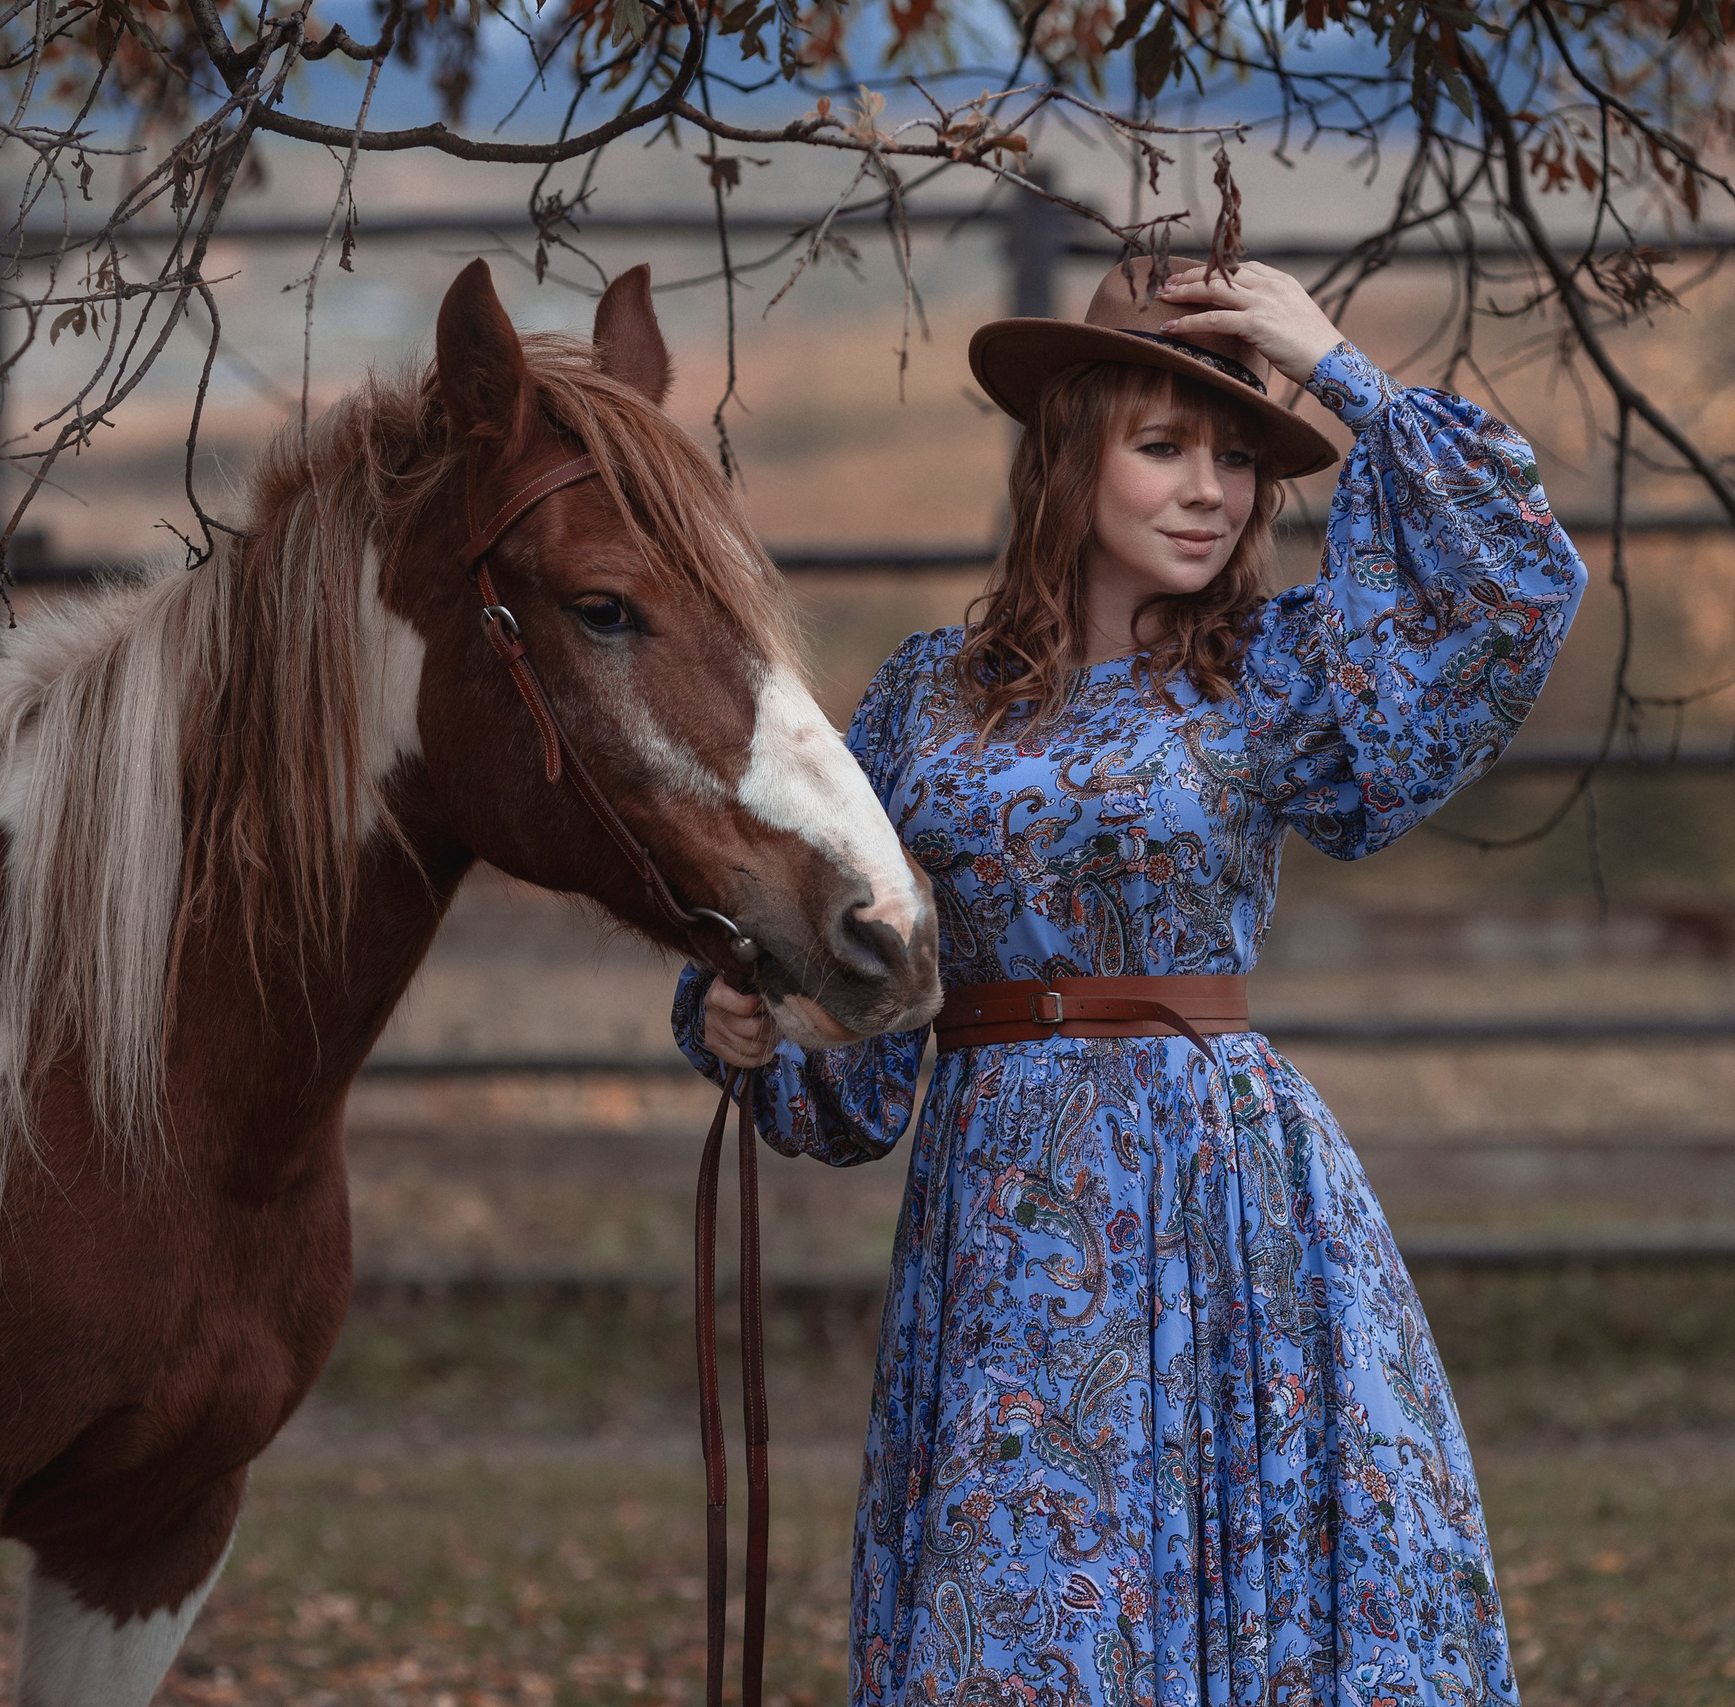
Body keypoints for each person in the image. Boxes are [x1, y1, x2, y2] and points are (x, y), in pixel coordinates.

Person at [672, 253, 1587, 1705]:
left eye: (1235, 456)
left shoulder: (1280, 673)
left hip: (1221, 1196)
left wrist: (1330, 362)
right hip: (1001, 1227)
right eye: (1163, 448)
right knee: (1020, 1608)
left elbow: (1511, 585)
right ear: (1067, 457)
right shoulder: (923, 697)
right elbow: (870, 1033)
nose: (1210, 489)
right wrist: (758, 1027)